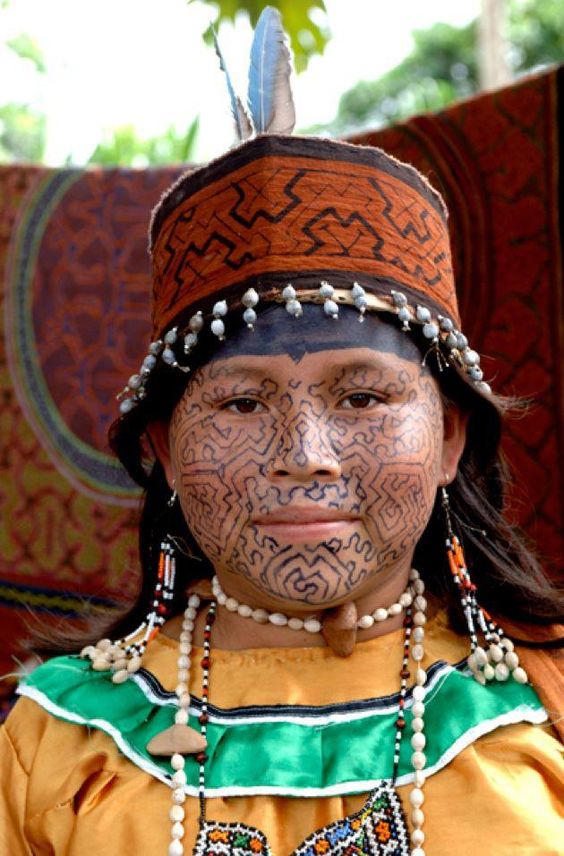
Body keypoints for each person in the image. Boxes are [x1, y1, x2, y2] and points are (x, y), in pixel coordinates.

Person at [1, 10, 562, 856]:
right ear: (163, 449)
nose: (305, 456)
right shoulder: (55, 739)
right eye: (240, 404)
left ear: (448, 436)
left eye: (364, 398)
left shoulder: (546, 698)